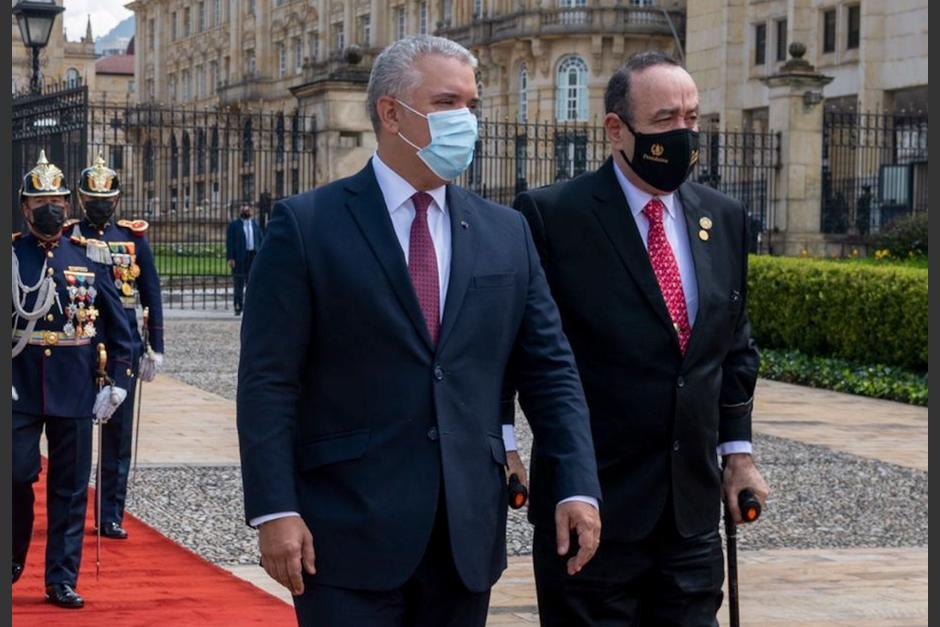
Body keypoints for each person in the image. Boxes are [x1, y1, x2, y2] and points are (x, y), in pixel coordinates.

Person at [237, 35, 601, 627]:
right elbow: (268, 381)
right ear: (391, 112)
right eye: (448, 102)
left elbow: (551, 372)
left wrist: (577, 485)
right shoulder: (306, 227)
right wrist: (274, 508)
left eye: (472, 105)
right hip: (345, 533)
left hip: (464, 534)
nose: (468, 120)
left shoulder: (506, 232)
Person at [509, 52, 770, 625]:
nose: (683, 134)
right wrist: (503, 444)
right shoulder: (553, 216)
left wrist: (738, 453)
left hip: (692, 515)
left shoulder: (721, 217)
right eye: (665, 120)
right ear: (615, 129)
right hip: (591, 507)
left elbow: (734, 348)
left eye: (693, 119)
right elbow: (515, 351)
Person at [12, 151, 134, 609]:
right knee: (14, 474)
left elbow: (120, 328)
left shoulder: (90, 257)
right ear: (26, 207)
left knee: (69, 487)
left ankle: (60, 578)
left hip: (76, 387)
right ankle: (12, 551)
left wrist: (118, 381)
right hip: (19, 386)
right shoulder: (12, 254)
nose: (53, 208)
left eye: (59, 200)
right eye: (42, 200)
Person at [66, 154, 166, 540]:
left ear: (118, 200)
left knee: (118, 435)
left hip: (123, 340)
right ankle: (73, 506)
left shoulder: (132, 238)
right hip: (84, 338)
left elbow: (150, 294)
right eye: (92, 198)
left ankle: (110, 513)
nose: (99, 205)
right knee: (74, 430)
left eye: (106, 199)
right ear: (80, 198)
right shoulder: (71, 235)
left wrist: (155, 346)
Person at [226, 200, 263, 315]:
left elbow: (260, 240)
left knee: (252, 282)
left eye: (248, 207)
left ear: (251, 210)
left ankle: (252, 305)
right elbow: (230, 242)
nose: (246, 209)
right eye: (243, 207)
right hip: (239, 257)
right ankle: (238, 305)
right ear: (240, 210)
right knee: (239, 282)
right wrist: (230, 258)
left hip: (253, 255)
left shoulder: (255, 224)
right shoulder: (234, 225)